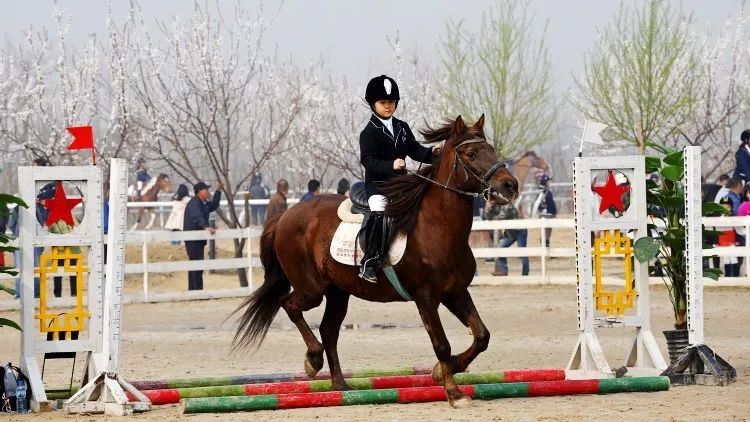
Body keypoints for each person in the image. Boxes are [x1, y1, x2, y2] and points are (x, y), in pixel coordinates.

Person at [358, 74, 440, 282]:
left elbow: (414, 150)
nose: (388, 106)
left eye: (392, 102)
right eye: (383, 102)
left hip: (400, 185)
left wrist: (434, 155)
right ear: (373, 104)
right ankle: (370, 260)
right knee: (378, 211)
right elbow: (367, 161)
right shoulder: (368, 132)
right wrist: (390, 165)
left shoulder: (402, 127)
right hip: (377, 186)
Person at [183, 181, 222, 290]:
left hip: (197, 240)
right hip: (193, 240)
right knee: (196, 265)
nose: (208, 192)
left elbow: (214, 205)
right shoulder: (194, 203)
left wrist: (218, 191)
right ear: (200, 192)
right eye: (206, 190)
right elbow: (197, 217)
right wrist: (206, 227)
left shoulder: (202, 203)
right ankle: (196, 290)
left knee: (197, 265)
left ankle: (195, 290)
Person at [485, 200, 529, 276]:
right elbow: (488, 218)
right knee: (500, 248)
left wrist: (492, 215)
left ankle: (525, 273)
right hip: (510, 232)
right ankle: (503, 271)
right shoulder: (494, 206)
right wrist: (488, 208)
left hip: (520, 230)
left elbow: (501, 217)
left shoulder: (506, 202)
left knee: (522, 251)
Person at [533, 175, 557, 247]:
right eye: (548, 181)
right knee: (546, 232)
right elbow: (548, 204)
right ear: (545, 182)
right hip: (546, 215)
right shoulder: (544, 192)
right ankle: (545, 249)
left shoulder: (543, 191)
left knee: (547, 231)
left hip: (546, 214)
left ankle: (546, 249)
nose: (549, 183)